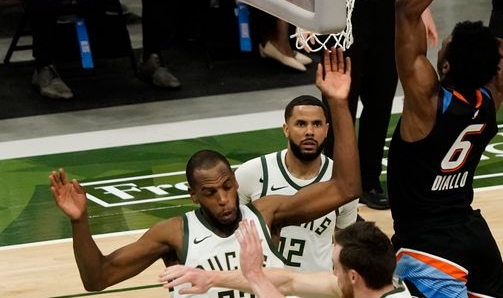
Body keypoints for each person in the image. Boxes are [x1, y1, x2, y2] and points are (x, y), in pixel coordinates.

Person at [49, 48, 360, 297]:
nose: (224, 200)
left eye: (227, 187)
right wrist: (80, 222)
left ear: (236, 182)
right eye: (211, 193)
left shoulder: (265, 214)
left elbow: (346, 187)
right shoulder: (174, 233)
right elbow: (97, 277)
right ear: (193, 195)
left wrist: (338, 105)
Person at [386, 0, 503, 297]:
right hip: (473, 236)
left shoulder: (427, 100)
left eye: (441, 46)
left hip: (426, 248)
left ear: (443, 65)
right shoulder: (492, 96)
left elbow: (407, 9)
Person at [334, 0, 439, 210]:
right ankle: (334, 181)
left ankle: (367, 181)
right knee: (343, 103)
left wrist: (424, 9)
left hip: (385, 14)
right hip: (344, 14)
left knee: (379, 103)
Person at [235, 94, 358, 271]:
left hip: (319, 288)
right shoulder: (251, 173)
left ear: (326, 129)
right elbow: (228, 234)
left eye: (317, 124)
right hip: (268, 286)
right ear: (286, 129)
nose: (310, 131)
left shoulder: (341, 181)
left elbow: (347, 243)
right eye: (301, 124)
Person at [159, 220, 411, 298]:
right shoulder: (378, 284)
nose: (332, 273)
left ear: (353, 276)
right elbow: (290, 280)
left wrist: (256, 275)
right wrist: (211, 278)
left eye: (335, 267)